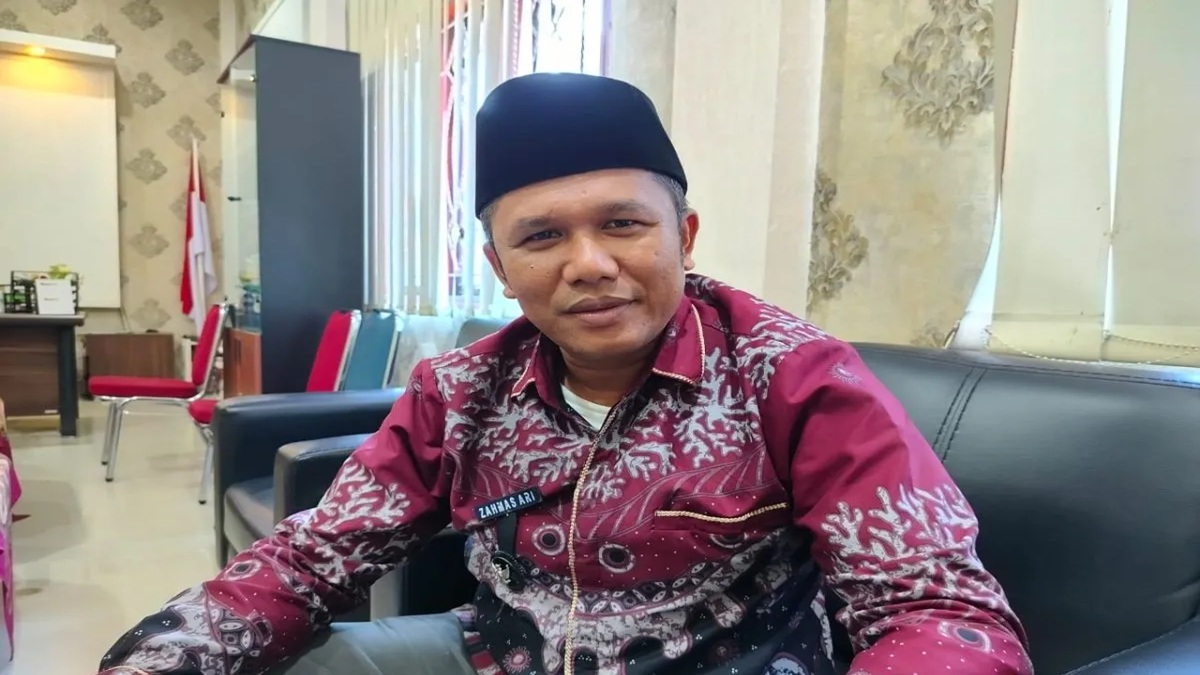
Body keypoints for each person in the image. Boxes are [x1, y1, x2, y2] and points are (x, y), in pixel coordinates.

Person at [97, 73, 1032, 675]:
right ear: (501, 267)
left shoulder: (793, 375)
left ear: (683, 235)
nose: (589, 264)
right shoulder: (459, 392)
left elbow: (938, 605)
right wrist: (163, 657)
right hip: (500, 654)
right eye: (542, 236)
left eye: (623, 223)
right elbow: (315, 557)